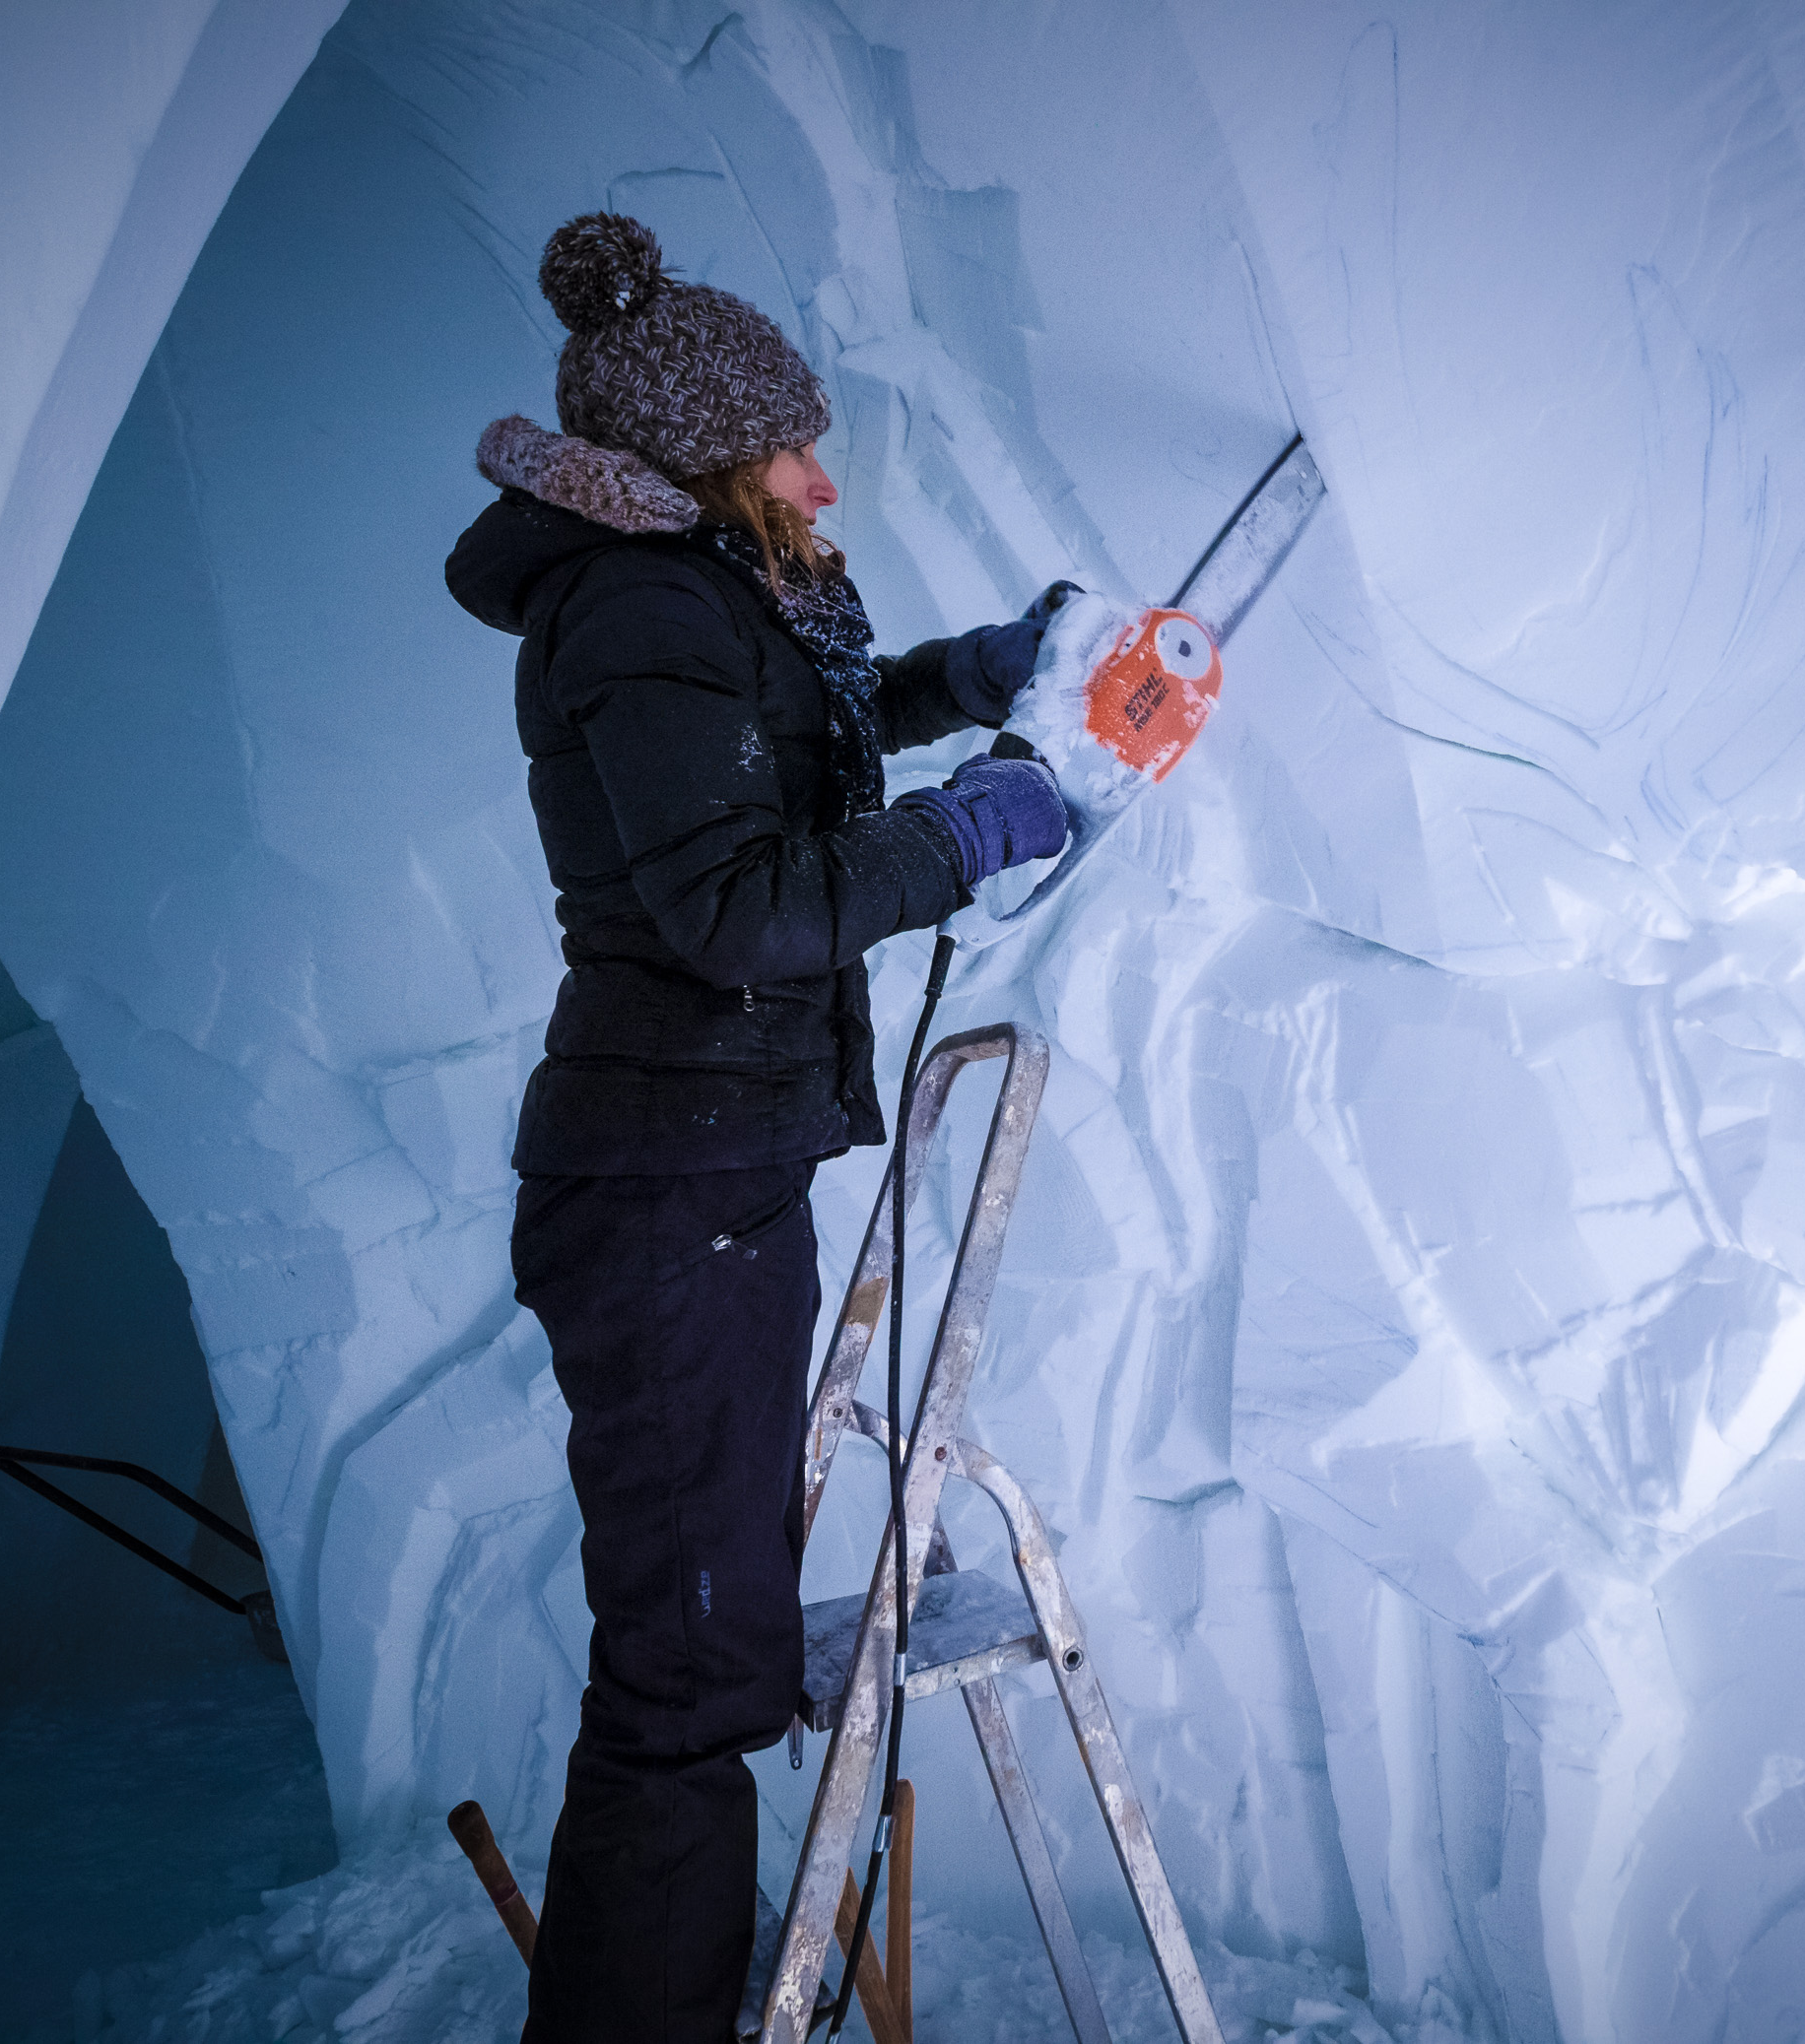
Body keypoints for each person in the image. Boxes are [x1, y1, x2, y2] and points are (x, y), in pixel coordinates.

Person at [443, 212, 1071, 2044]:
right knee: (685, 1680)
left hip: (706, 1185)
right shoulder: (638, 601)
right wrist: (963, 835)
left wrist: (970, 679)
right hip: (663, 1204)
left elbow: (788, 735)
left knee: (699, 1656)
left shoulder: (701, 592)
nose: (822, 479)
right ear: (702, 470)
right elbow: (737, 904)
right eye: (789, 449)